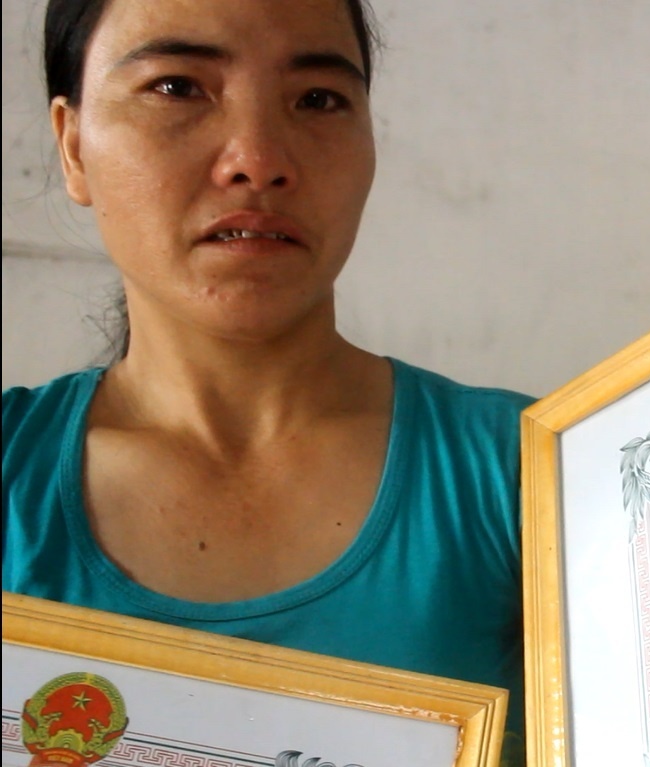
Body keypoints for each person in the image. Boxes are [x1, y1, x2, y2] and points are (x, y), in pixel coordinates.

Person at [1, 1, 533, 764]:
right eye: (177, 87)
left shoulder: (537, 473)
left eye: (317, 99)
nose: (257, 159)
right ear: (73, 146)